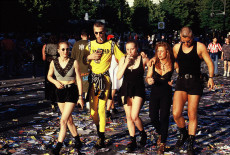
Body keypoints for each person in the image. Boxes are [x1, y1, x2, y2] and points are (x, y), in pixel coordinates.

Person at [172, 27, 214, 155]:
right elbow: (174, 60)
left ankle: (190, 141)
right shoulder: (177, 48)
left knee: (191, 113)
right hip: (181, 82)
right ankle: (183, 133)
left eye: (188, 40)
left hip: (195, 82)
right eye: (183, 40)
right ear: (180, 37)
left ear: (192, 36)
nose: (186, 43)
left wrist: (211, 78)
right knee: (176, 113)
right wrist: (176, 68)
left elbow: (209, 62)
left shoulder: (200, 47)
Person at [85, 21, 125, 149]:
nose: (98, 35)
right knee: (92, 111)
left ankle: (101, 137)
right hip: (92, 80)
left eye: (101, 32)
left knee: (101, 109)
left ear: (105, 31)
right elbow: (81, 61)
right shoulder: (90, 45)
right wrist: (89, 57)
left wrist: (124, 67)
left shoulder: (111, 44)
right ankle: (99, 129)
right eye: (96, 33)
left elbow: (122, 57)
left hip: (104, 79)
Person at [47, 41, 84, 154]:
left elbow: (78, 79)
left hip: (71, 91)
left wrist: (80, 97)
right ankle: (77, 140)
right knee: (68, 120)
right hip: (59, 92)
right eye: (63, 49)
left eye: (67, 49)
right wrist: (55, 82)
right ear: (58, 50)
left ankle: (58, 146)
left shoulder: (74, 62)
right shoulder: (53, 62)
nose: (65, 51)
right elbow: (49, 76)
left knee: (63, 120)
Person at [146, 42, 178, 154]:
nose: (159, 53)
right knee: (153, 116)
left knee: (164, 117)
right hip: (155, 92)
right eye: (157, 51)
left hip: (166, 92)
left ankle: (163, 143)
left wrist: (175, 81)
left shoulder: (173, 63)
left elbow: (181, 74)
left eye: (161, 51)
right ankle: (161, 132)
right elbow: (148, 76)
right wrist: (149, 80)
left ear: (167, 52)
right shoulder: (153, 62)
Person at [117, 40, 148, 152]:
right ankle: (133, 140)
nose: (130, 51)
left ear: (137, 48)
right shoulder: (123, 59)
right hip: (126, 89)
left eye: (132, 49)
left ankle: (142, 133)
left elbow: (153, 67)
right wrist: (126, 64)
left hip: (138, 89)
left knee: (135, 116)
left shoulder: (142, 58)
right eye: (128, 49)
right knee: (129, 117)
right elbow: (119, 76)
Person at [71, 30, 90, 99]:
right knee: (87, 83)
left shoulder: (76, 44)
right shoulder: (90, 44)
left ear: (81, 36)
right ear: (89, 36)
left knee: (78, 81)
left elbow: (72, 56)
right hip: (87, 66)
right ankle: (87, 100)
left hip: (77, 66)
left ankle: (79, 97)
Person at [42, 35, 58, 111]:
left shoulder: (45, 46)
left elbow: (43, 58)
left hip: (48, 64)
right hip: (56, 64)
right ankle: (56, 97)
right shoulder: (58, 46)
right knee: (56, 80)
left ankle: (49, 96)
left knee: (49, 80)